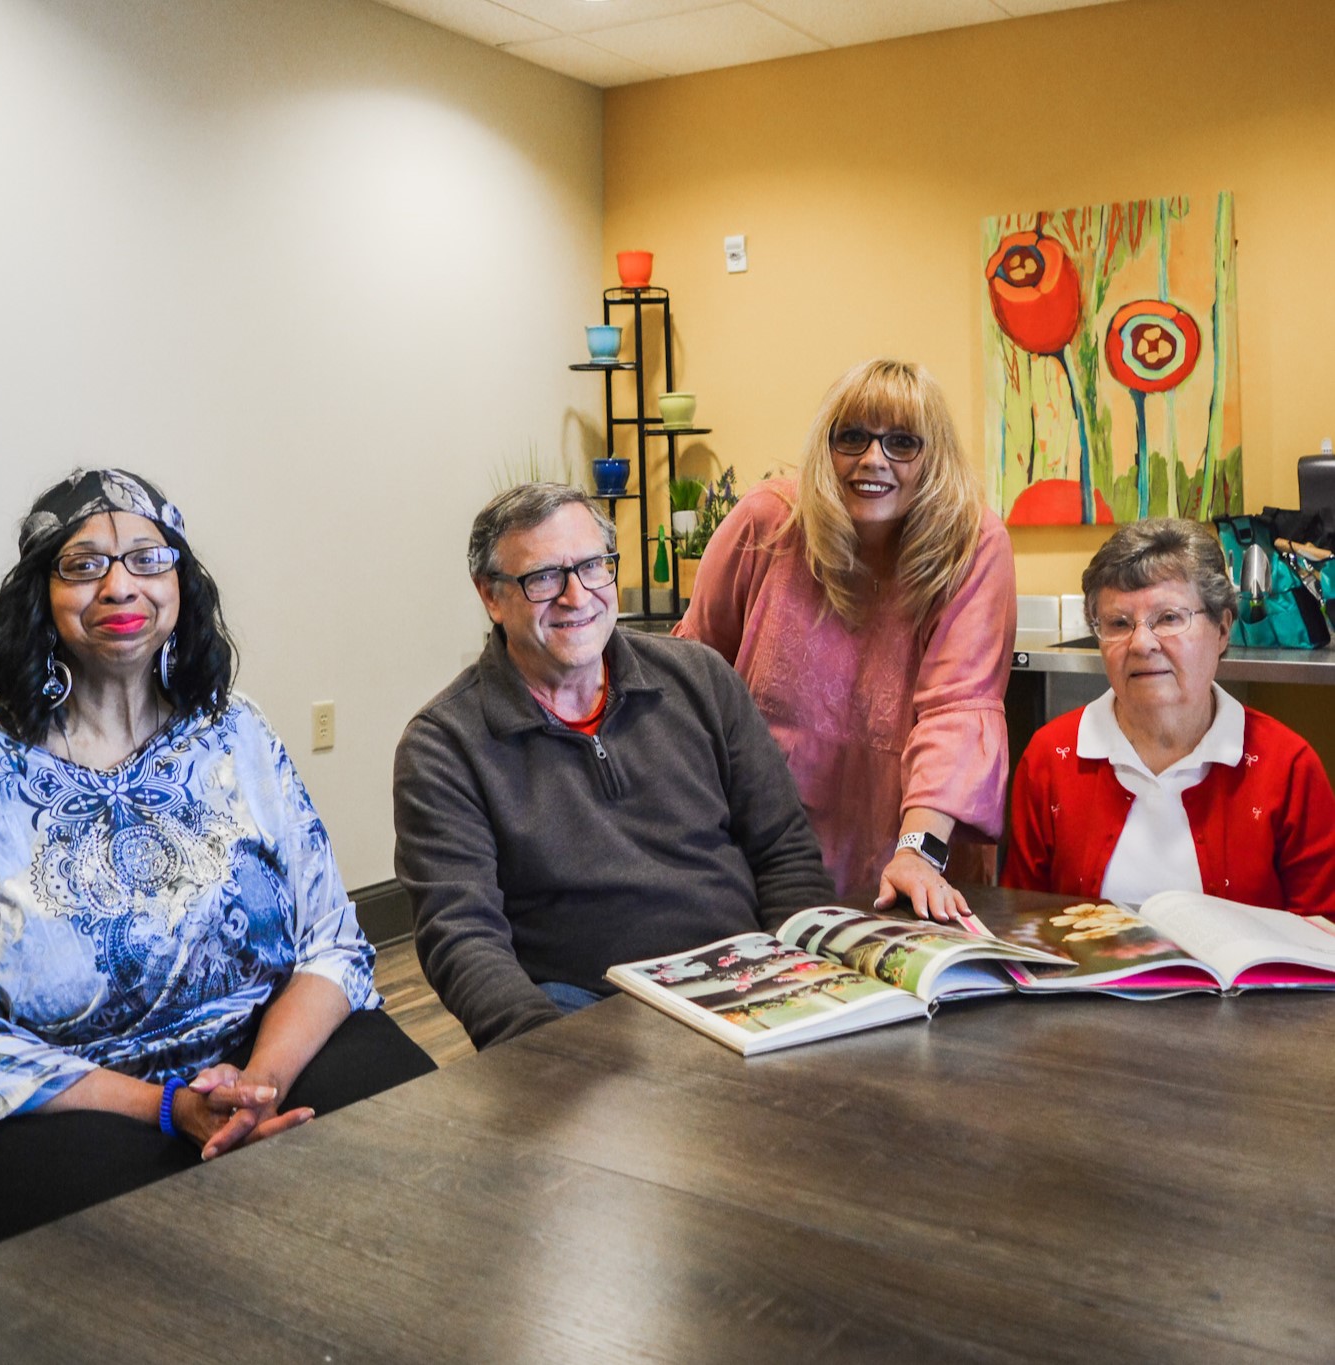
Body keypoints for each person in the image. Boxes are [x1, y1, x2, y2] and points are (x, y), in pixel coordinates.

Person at [0, 469, 433, 1248]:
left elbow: (332, 940)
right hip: (74, 1090)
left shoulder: (236, 729)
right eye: (83, 565)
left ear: (181, 582)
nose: (120, 586)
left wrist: (258, 1085)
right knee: (137, 1246)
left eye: (148, 559)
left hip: (258, 1049)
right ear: (39, 597)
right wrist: (165, 1104)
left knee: (419, 1140)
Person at [393, 482, 835, 1050]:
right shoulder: (444, 747)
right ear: (491, 597)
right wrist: (545, 1051)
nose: (577, 597)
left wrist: (802, 977)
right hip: (586, 1010)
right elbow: (462, 937)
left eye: (594, 567)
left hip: (751, 980)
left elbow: (785, 853)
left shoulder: (700, 680)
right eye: (543, 577)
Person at [675, 358, 1016, 922]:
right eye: (852, 437)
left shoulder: (972, 544)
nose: (872, 459)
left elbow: (958, 710)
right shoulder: (766, 522)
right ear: (825, 447)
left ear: (934, 458)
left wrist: (917, 853)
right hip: (763, 839)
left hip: (910, 837)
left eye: (902, 442)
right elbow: (692, 679)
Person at [1002, 517, 1335, 912]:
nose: (1142, 643)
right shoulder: (1050, 759)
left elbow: (1322, 939)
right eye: (1118, 624)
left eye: (1170, 618)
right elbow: (1023, 927)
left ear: (1222, 630)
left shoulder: (1287, 768)